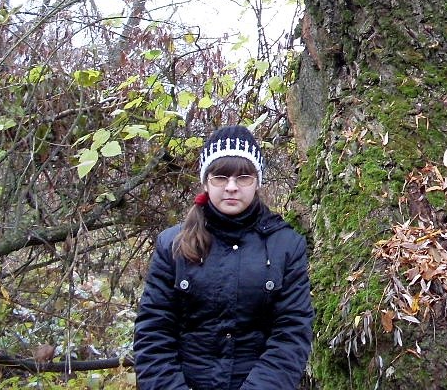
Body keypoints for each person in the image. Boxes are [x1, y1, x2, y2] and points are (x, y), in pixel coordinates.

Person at [134, 125, 314, 390]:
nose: (231, 187)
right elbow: (153, 333)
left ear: (257, 182)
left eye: (243, 177)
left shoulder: (286, 246)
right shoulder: (172, 245)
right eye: (220, 177)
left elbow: (291, 335)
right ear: (206, 181)